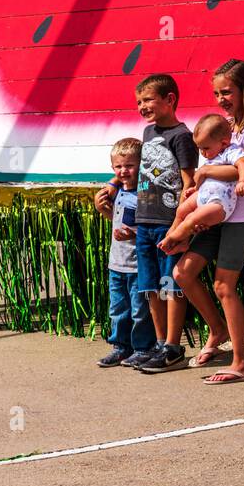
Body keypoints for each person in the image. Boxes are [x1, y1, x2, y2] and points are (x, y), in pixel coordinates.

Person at [172, 59, 244, 385]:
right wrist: (198, 185)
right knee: (182, 273)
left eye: (227, 91)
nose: (221, 99)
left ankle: (242, 363)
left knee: (223, 285)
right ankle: (217, 331)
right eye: (217, 93)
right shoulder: (226, 126)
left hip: (242, 215)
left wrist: (204, 172)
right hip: (217, 209)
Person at [99, 73, 197, 374]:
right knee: (149, 287)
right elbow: (133, 164)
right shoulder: (147, 133)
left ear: (170, 100)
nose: (142, 106)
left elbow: (188, 182)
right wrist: (113, 184)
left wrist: (179, 225)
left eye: (148, 100)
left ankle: (172, 345)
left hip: (167, 224)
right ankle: (156, 342)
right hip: (144, 222)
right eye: (139, 101)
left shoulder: (181, 136)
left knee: (170, 286)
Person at [93, 137, 157, 367]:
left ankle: (143, 347)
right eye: (118, 166)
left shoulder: (146, 193)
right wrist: (103, 211)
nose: (123, 171)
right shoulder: (117, 192)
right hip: (117, 264)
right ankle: (121, 347)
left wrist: (134, 234)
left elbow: (150, 227)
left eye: (129, 165)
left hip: (138, 265)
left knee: (140, 311)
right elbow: (117, 221)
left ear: (141, 165)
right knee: (118, 309)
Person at [159, 114, 244, 255]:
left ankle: (174, 238)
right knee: (182, 210)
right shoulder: (212, 155)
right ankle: (178, 236)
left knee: (192, 218)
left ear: (224, 143)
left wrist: (243, 181)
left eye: (205, 148)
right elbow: (205, 180)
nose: (203, 153)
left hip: (219, 204)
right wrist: (196, 189)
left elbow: (243, 163)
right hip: (203, 196)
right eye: (199, 148)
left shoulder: (230, 152)